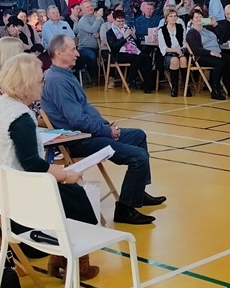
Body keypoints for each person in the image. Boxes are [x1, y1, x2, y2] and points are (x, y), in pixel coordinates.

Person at [0, 52, 99, 279]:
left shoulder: (0, 105)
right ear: (28, 84)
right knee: (75, 195)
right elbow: (31, 164)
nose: (43, 84)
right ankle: (75, 259)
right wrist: (63, 175)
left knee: (68, 192)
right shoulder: (20, 116)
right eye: (40, 80)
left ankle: (61, 257)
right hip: (6, 195)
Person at [41, 35, 162, 225]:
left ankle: (137, 192)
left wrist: (104, 125)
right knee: (138, 157)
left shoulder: (64, 75)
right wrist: (107, 131)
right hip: (79, 141)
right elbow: (77, 120)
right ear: (59, 53)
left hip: (88, 134)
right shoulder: (57, 81)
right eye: (73, 50)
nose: (77, 54)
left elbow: (84, 111)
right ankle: (125, 209)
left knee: (138, 135)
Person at [186, 8, 230, 100]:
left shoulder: (207, 28)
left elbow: (222, 35)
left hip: (216, 52)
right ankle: (215, 89)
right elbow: (195, 49)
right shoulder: (192, 33)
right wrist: (210, 52)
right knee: (220, 62)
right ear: (192, 20)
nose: (199, 19)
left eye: (200, 16)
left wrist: (215, 24)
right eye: (196, 17)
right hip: (202, 56)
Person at [157, 7, 189, 96]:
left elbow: (184, 42)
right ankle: (174, 87)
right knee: (174, 60)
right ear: (166, 18)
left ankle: (186, 86)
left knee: (183, 60)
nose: (173, 18)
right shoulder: (162, 30)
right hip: (168, 54)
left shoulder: (180, 27)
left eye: (175, 16)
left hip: (180, 51)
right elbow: (163, 48)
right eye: (171, 16)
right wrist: (175, 50)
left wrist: (182, 50)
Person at [75, 4, 105, 74]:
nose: (90, 8)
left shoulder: (100, 18)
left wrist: (99, 34)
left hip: (99, 47)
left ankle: (107, 76)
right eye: (87, 7)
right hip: (85, 48)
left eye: (91, 6)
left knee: (110, 54)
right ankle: (93, 77)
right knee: (91, 56)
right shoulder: (82, 21)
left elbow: (103, 30)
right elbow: (92, 30)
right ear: (83, 10)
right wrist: (98, 18)